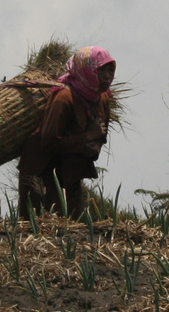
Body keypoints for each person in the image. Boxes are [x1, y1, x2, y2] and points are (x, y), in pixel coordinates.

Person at [17, 46, 115, 219]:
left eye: (110, 70)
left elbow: (101, 134)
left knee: (73, 223)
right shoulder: (64, 98)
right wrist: (87, 137)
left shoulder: (103, 98)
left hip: (71, 169)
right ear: (88, 71)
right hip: (42, 168)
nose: (108, 76)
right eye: (102, 71)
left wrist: (95, 148)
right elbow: (48, 141)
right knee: (40, 222)